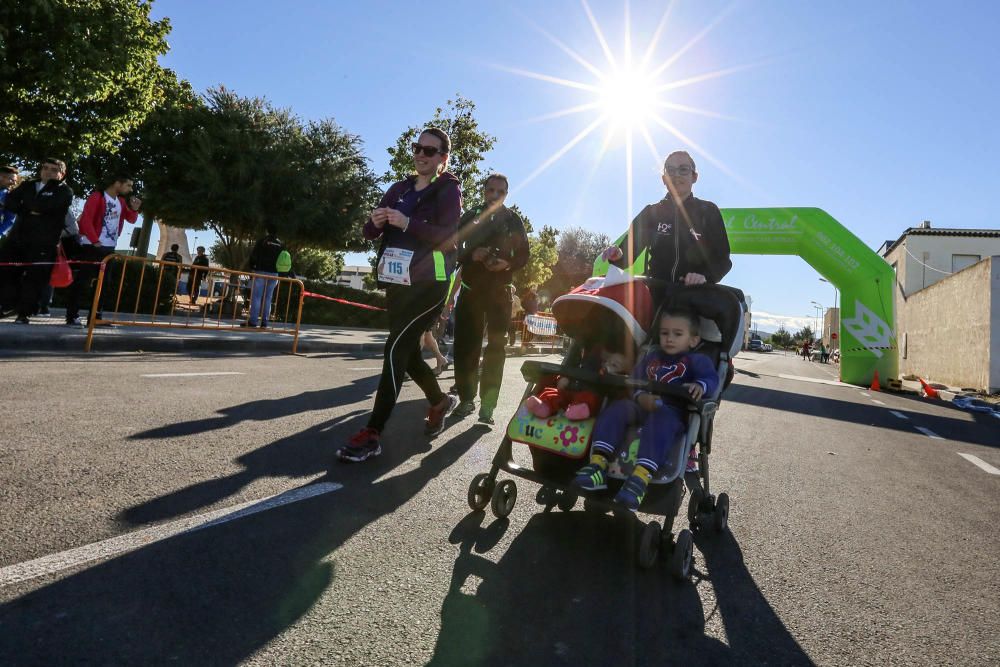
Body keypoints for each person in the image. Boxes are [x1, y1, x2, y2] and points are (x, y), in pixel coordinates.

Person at [337, 127, 462, 463]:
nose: (422, 154)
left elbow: (449, 237)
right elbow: (368, 232)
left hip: (430, 285)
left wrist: (408, 224)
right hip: (397, 282)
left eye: (430, 151)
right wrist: (376, 221)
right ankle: (439, 401)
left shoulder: (447, 191)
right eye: (418, 148)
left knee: (394, 346)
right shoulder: (399, 188)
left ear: (442, 158)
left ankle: (373, 432)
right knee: (405, 353)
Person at [571, 308, 719, 511]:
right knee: (617, 408)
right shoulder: (653, 356)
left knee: (661, 420)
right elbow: (636, 380)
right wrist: (641, 397)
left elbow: (712, 379)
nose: (669, 338)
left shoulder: (697, 360)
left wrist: (700, 385)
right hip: (642, 405)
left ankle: (640, 479)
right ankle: (598, 464)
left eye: (677, 334)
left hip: (672, 411)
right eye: (665, 333)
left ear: (693, 340)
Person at [601, 151, 731, 310]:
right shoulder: (650, 213)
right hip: (655, 298)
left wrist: (704, 277)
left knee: (712, 332)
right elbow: (627, 254)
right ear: (664, 179)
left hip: (696, 300)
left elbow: (723, 260)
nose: (676, 175)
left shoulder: (709, 211)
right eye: (670, 170)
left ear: (694, 177)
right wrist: (618, 255)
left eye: (683, 169)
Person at [451, 174, 530, 425]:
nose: (495, 195)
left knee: (496, 348)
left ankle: (488, 407)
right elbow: (453, 246)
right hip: (471, 290)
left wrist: (507, 263)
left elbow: (524, 255)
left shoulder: (512, 219)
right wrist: (473, 254)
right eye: (491, 190)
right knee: (466, 347)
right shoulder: (472, 214)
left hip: (500, 293)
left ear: (507, 194)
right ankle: (466, 399)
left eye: (501, 191)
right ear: (484, 191)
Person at [0, 158, 74, 324]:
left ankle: (24, 313)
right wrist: (29, 209)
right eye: (45, 168)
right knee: (7, 271)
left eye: (53, 170)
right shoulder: (28, 185)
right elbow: (11, 201)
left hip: (43, 242)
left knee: (35, 279)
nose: (48, 172)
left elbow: (48, 207)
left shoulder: (64, 191)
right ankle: (7, 305)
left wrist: (29, 206)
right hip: (18, 238)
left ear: (61, 174)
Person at [64, 174, 141, 326]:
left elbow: (130, 219)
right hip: (91, 246)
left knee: (105, 283)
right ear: (117, 183)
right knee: (83, 281)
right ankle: (72, 315)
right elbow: (86, 219)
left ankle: (96, 316)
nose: (130, 189)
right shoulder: (97, 196)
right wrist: (95, 241)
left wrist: (135, 208)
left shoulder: (120, 201)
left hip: (109, 247)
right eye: (128, 185)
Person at [243, 224, 284, 328]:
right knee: (268, 298)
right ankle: (265, 322)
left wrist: (252, 267)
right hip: (274, 274)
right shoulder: (281, 244)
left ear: (267, 231)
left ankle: (253, 322)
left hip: (261, 271)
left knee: (256, 297)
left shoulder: (262, 241)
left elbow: (254, 255)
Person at [0, 165, 19, 238]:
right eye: (12, 180)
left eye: (15, 181)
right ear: (1, 177)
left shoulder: (10, 197)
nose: (14, 183)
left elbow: (10, 220)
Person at [520, 285, 539, 351]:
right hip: (527, 316)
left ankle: (527, 342)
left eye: (535, 288)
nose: (534, 289)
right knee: (525, 330)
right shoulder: (527, 296)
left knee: (532, 331)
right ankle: (524, 343)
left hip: (533, 316)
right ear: (530, 289)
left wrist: (536, 312)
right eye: (533, 288)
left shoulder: (536, 297)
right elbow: (523, 304)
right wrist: (527, 310)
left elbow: (536, 306)